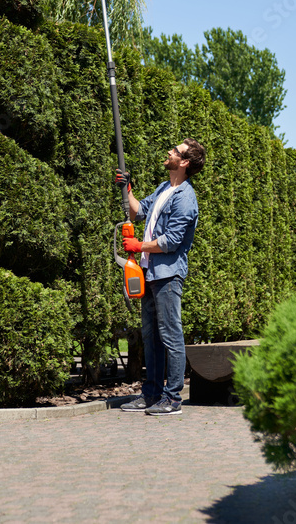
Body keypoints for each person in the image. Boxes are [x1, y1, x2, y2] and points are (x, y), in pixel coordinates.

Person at [116, 138, 205, 416]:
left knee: (170, 335)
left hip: (168, 274)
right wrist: (126, 190)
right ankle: (151, 394)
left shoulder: (186, 197)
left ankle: (173, 398)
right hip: (149, 273)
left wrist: (138, 246)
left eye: (175, 151)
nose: (169, 152)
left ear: (185, 162)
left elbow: (172, 241)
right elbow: (139, 211)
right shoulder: (164, 188)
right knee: (151, 336)